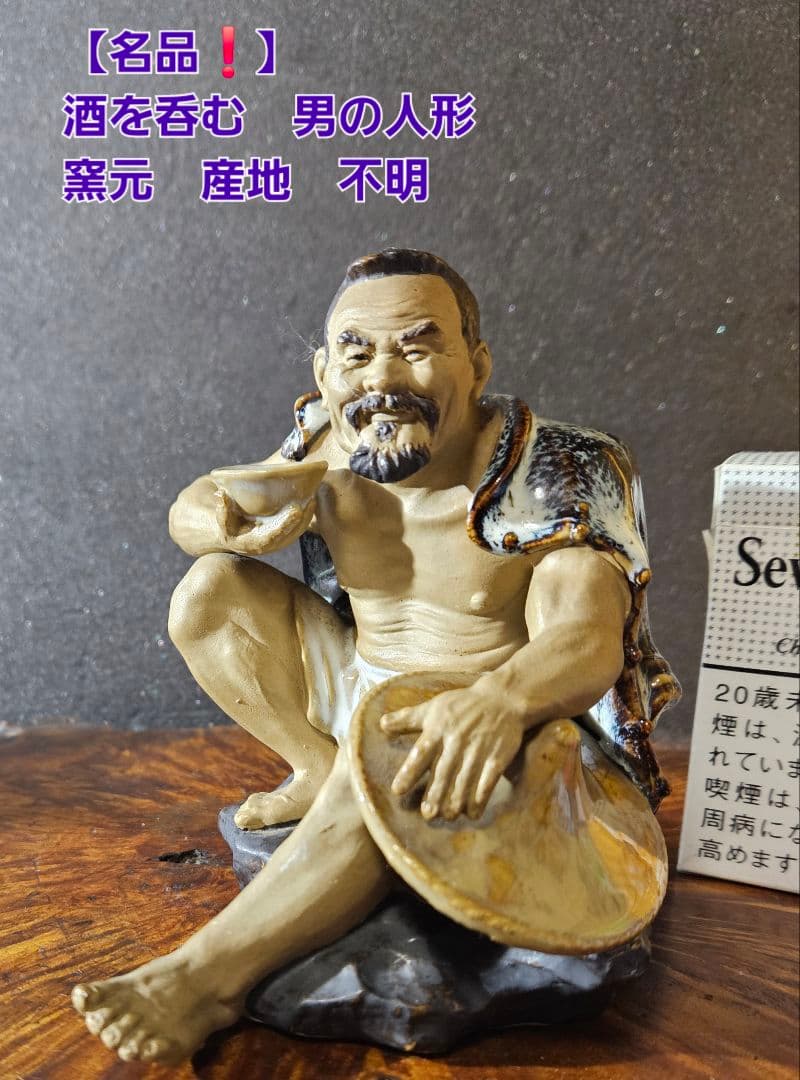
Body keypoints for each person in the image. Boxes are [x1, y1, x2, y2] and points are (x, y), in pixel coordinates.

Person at [72, 249, 678, 1064]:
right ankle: (317, 769)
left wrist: (501, 700)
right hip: (358, 682)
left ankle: (200, 982)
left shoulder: (555, 467)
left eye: (417, 347)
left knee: (395, 757)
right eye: (356, 353)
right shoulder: (332, 445)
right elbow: (202, 502)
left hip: (499, 721)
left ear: (478, 364)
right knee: (208, 593)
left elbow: (584, 637)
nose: (383, 378)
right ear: (324, 372)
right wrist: (217, 521)